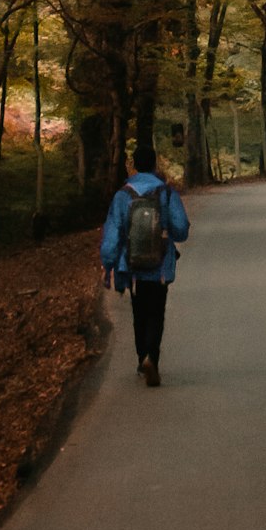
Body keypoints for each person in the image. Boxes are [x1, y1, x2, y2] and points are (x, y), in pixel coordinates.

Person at [101, 141, 190, 387]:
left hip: (132, 267)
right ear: (154, 164)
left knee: (139, 312)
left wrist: (108, 264)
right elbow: (181, 230)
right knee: (156, 312)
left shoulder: (123, 195)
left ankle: (142, 358)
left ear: (133, 166)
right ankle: (153, 357)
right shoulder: (166, 192)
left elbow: (113, 233)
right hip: (159, 266)